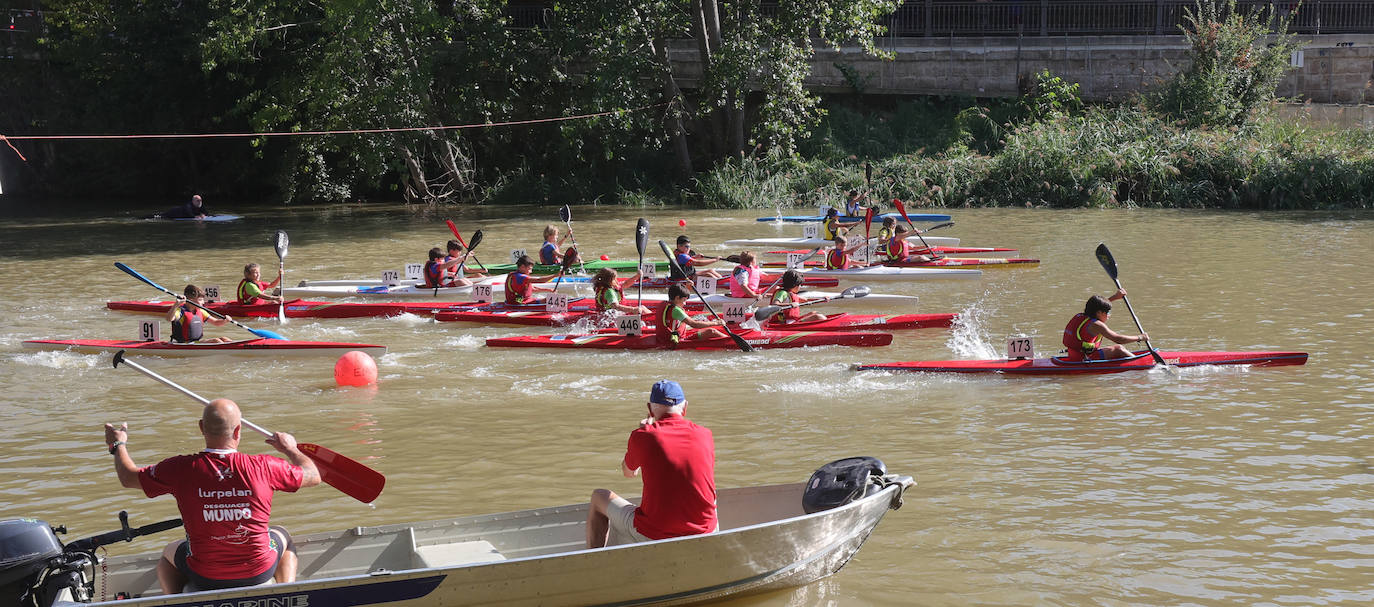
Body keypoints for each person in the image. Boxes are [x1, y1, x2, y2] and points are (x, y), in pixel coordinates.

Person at [103, 399, 321, 594]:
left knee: (168, 554)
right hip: (259, 572)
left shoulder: (180, 468)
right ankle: (285, 594)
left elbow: (128, 477)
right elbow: (313, 476)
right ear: (238, 431)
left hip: (206, 577)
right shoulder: (264, 466)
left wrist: (118, 444)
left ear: (201, 428)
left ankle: (174, 600)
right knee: (282, 534)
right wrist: (290, 449)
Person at [586, 380, 717, 548]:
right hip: (707, 531)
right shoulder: (705, 434)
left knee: (599, 496)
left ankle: (595, 561)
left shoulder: (643, 436)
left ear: (650, 409)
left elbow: (629, 473)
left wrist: (643, 433)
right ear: (685, 408)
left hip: (654, 535)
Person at [1061, 289, 1149, 361]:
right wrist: (1140, 337)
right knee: (1119, 349)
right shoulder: (1097, 325)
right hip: (1084, 359)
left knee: (1116, 349)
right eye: (1108, 312)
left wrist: (1115, 297)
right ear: (1099, 313)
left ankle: (1133, 360)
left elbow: (1097, 306)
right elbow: (1118, 339)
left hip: (1074, 355)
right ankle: (1141, 364)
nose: (1109, 315)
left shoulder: (1081, 316)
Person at [655, 283, 727, 344]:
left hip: (664, 338)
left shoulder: (663, 304)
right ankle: (730, 341)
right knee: (711, 331)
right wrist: (716, 323)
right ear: (677, 298)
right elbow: (694, 324)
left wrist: (687, 288)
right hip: (676, 341)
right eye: (684, 300)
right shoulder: (676, 310)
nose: (685, 303)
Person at [165, 285, 233, 344]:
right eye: (200, 300)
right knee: (216, 341)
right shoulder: (180, 311)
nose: (203, 302)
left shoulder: (201, 311)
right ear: (190, 300)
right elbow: (169, 318)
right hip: (182, 344)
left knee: (225, 339)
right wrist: (176, 304)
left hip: (195, 342)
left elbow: (216, 322)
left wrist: (225, 320)